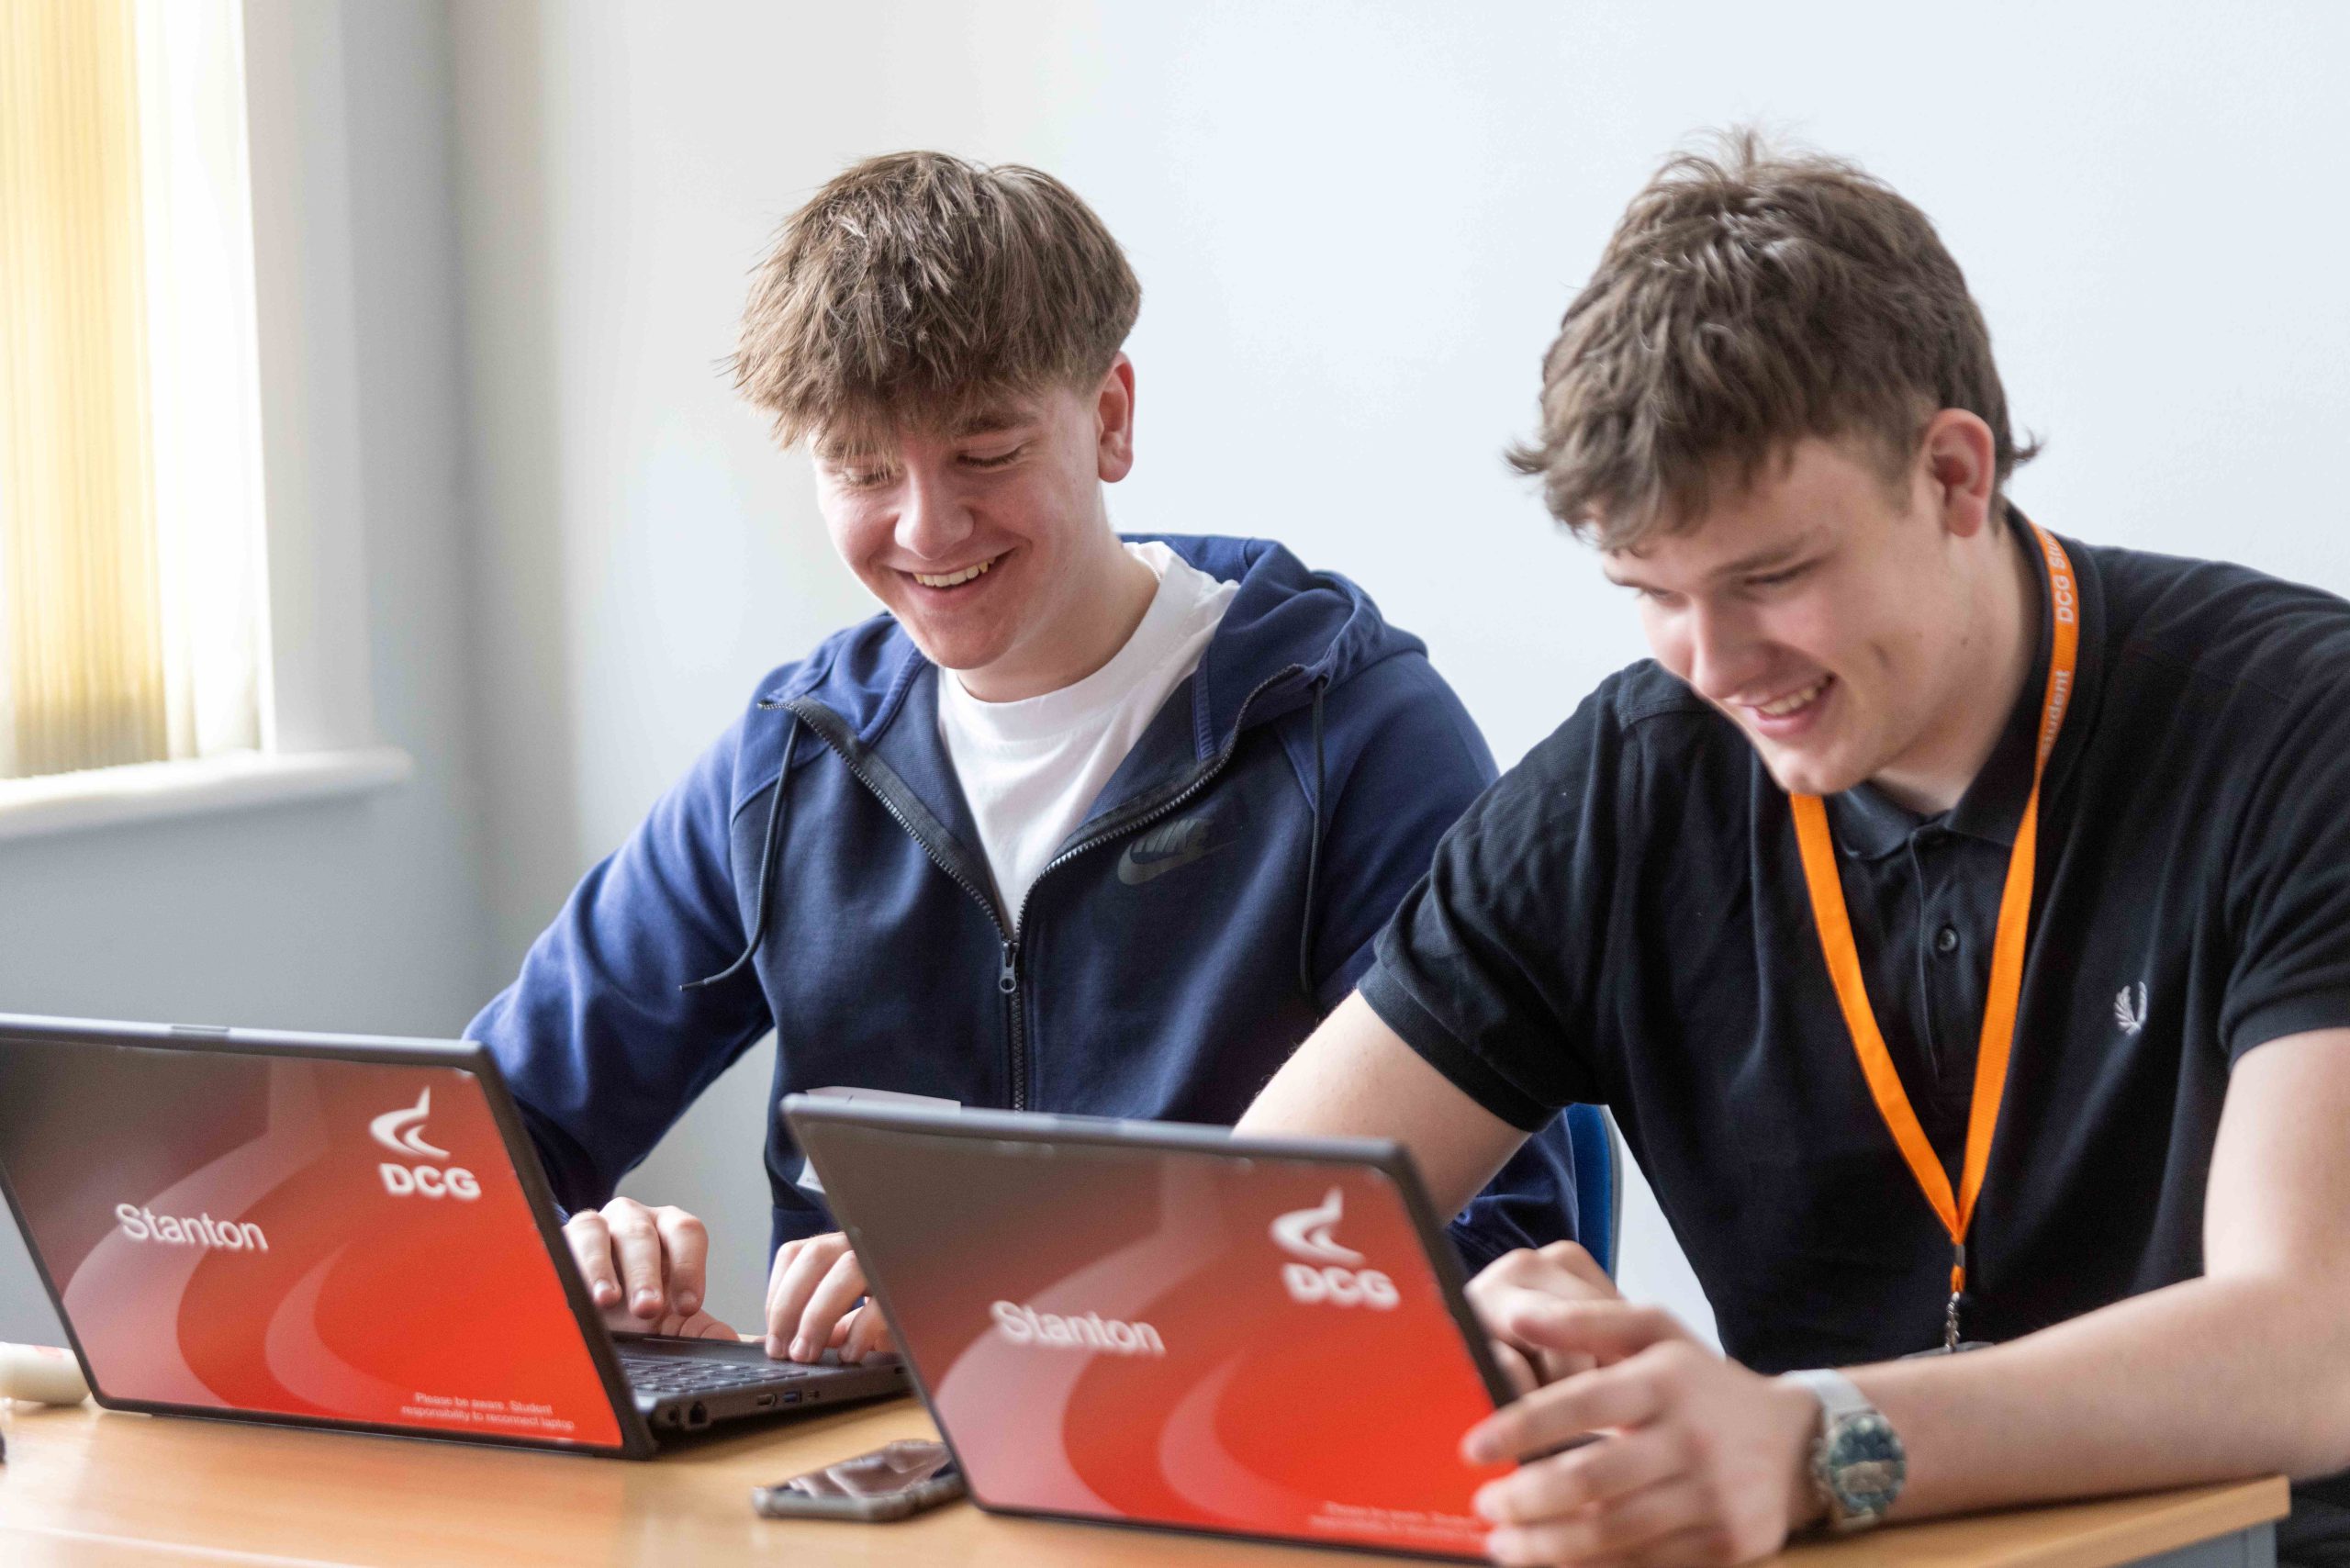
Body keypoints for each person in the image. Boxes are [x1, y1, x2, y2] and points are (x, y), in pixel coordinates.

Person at [1238, 133, 2350, 1567]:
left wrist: (1813, 1439)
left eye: (1773, 579)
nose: (1714, 664)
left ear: (1954, 475)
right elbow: (1260, 1232)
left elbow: (2310, 1347)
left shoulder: (2300, 730)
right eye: (1652, 592)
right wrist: (1465, 1342)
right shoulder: (1632, 778)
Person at [467, 151, 1585, 1367]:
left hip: (1219, 1469)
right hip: (874, 1488)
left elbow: (1502, 1248)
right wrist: (573, 1244)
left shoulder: (1351, 731)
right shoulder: (792, 764)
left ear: (1110, 418)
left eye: (985, 455)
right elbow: (483, 1148)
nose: (926, 529)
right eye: (860, 469)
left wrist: (1003, 1293)